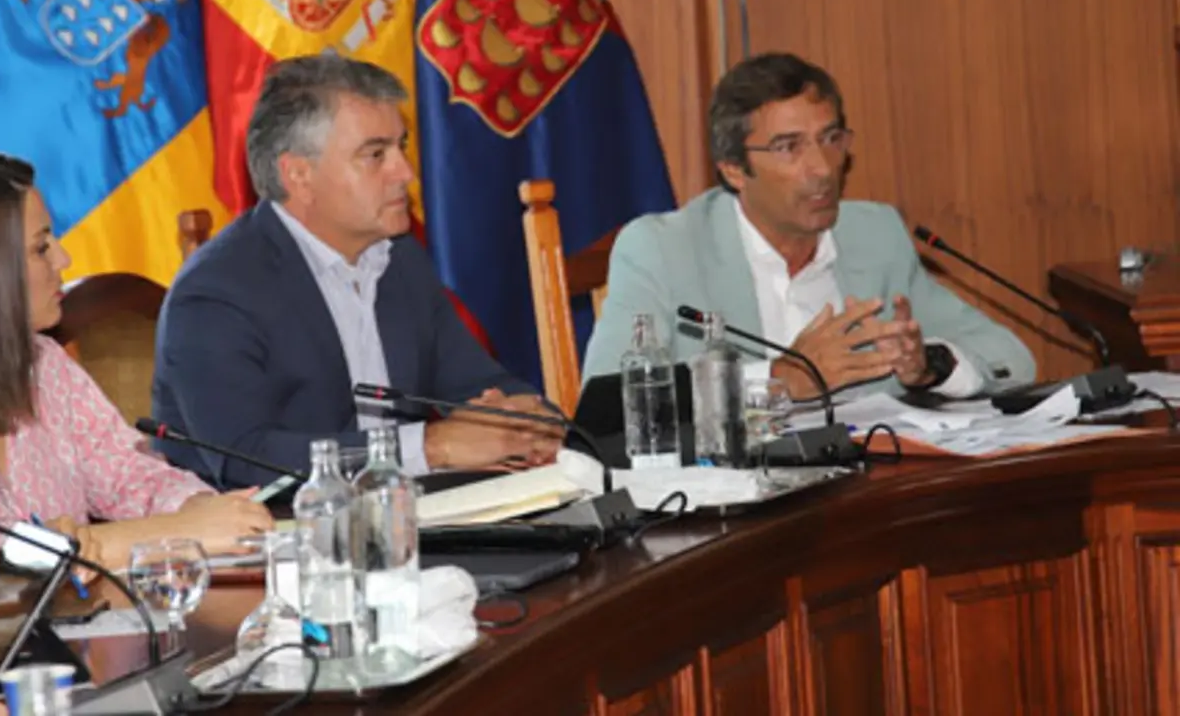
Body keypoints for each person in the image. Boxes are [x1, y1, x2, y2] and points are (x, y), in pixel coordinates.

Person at [152, 53, 562, 488]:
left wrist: (525, 421)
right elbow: (245, 458)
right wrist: (429, 447)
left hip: (407, 514)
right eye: (375, 155)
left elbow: (478, 382)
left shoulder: (398, 258)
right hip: (276, 525)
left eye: (401, 147)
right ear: (299, 175)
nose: (405, 172)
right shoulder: (216, 291)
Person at [582, 52, 1035, 400]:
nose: (822, 168)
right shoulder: (663, 250)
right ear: (734, 170)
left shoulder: (874, 234)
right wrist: (779, 381)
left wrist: (928, 364)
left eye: (831, 139)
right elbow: (609, 405)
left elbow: (1012, 360)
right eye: (788, 147)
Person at [0, 153, 274, 556]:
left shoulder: (44, 364)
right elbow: (3, 554)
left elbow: (129, 476)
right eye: (41, 247)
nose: (64, 259)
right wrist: (183, 529)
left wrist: (201, 508)